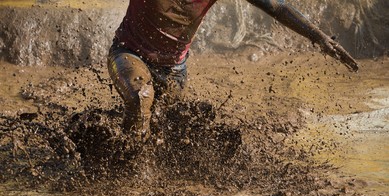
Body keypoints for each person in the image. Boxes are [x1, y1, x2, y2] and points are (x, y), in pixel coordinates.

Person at [107, 0, 359, 143]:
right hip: (129, 52)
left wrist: (320, 37)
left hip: (174, 69)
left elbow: (277, 8)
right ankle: (130, 175)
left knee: (162, 130)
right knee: (140, 98)